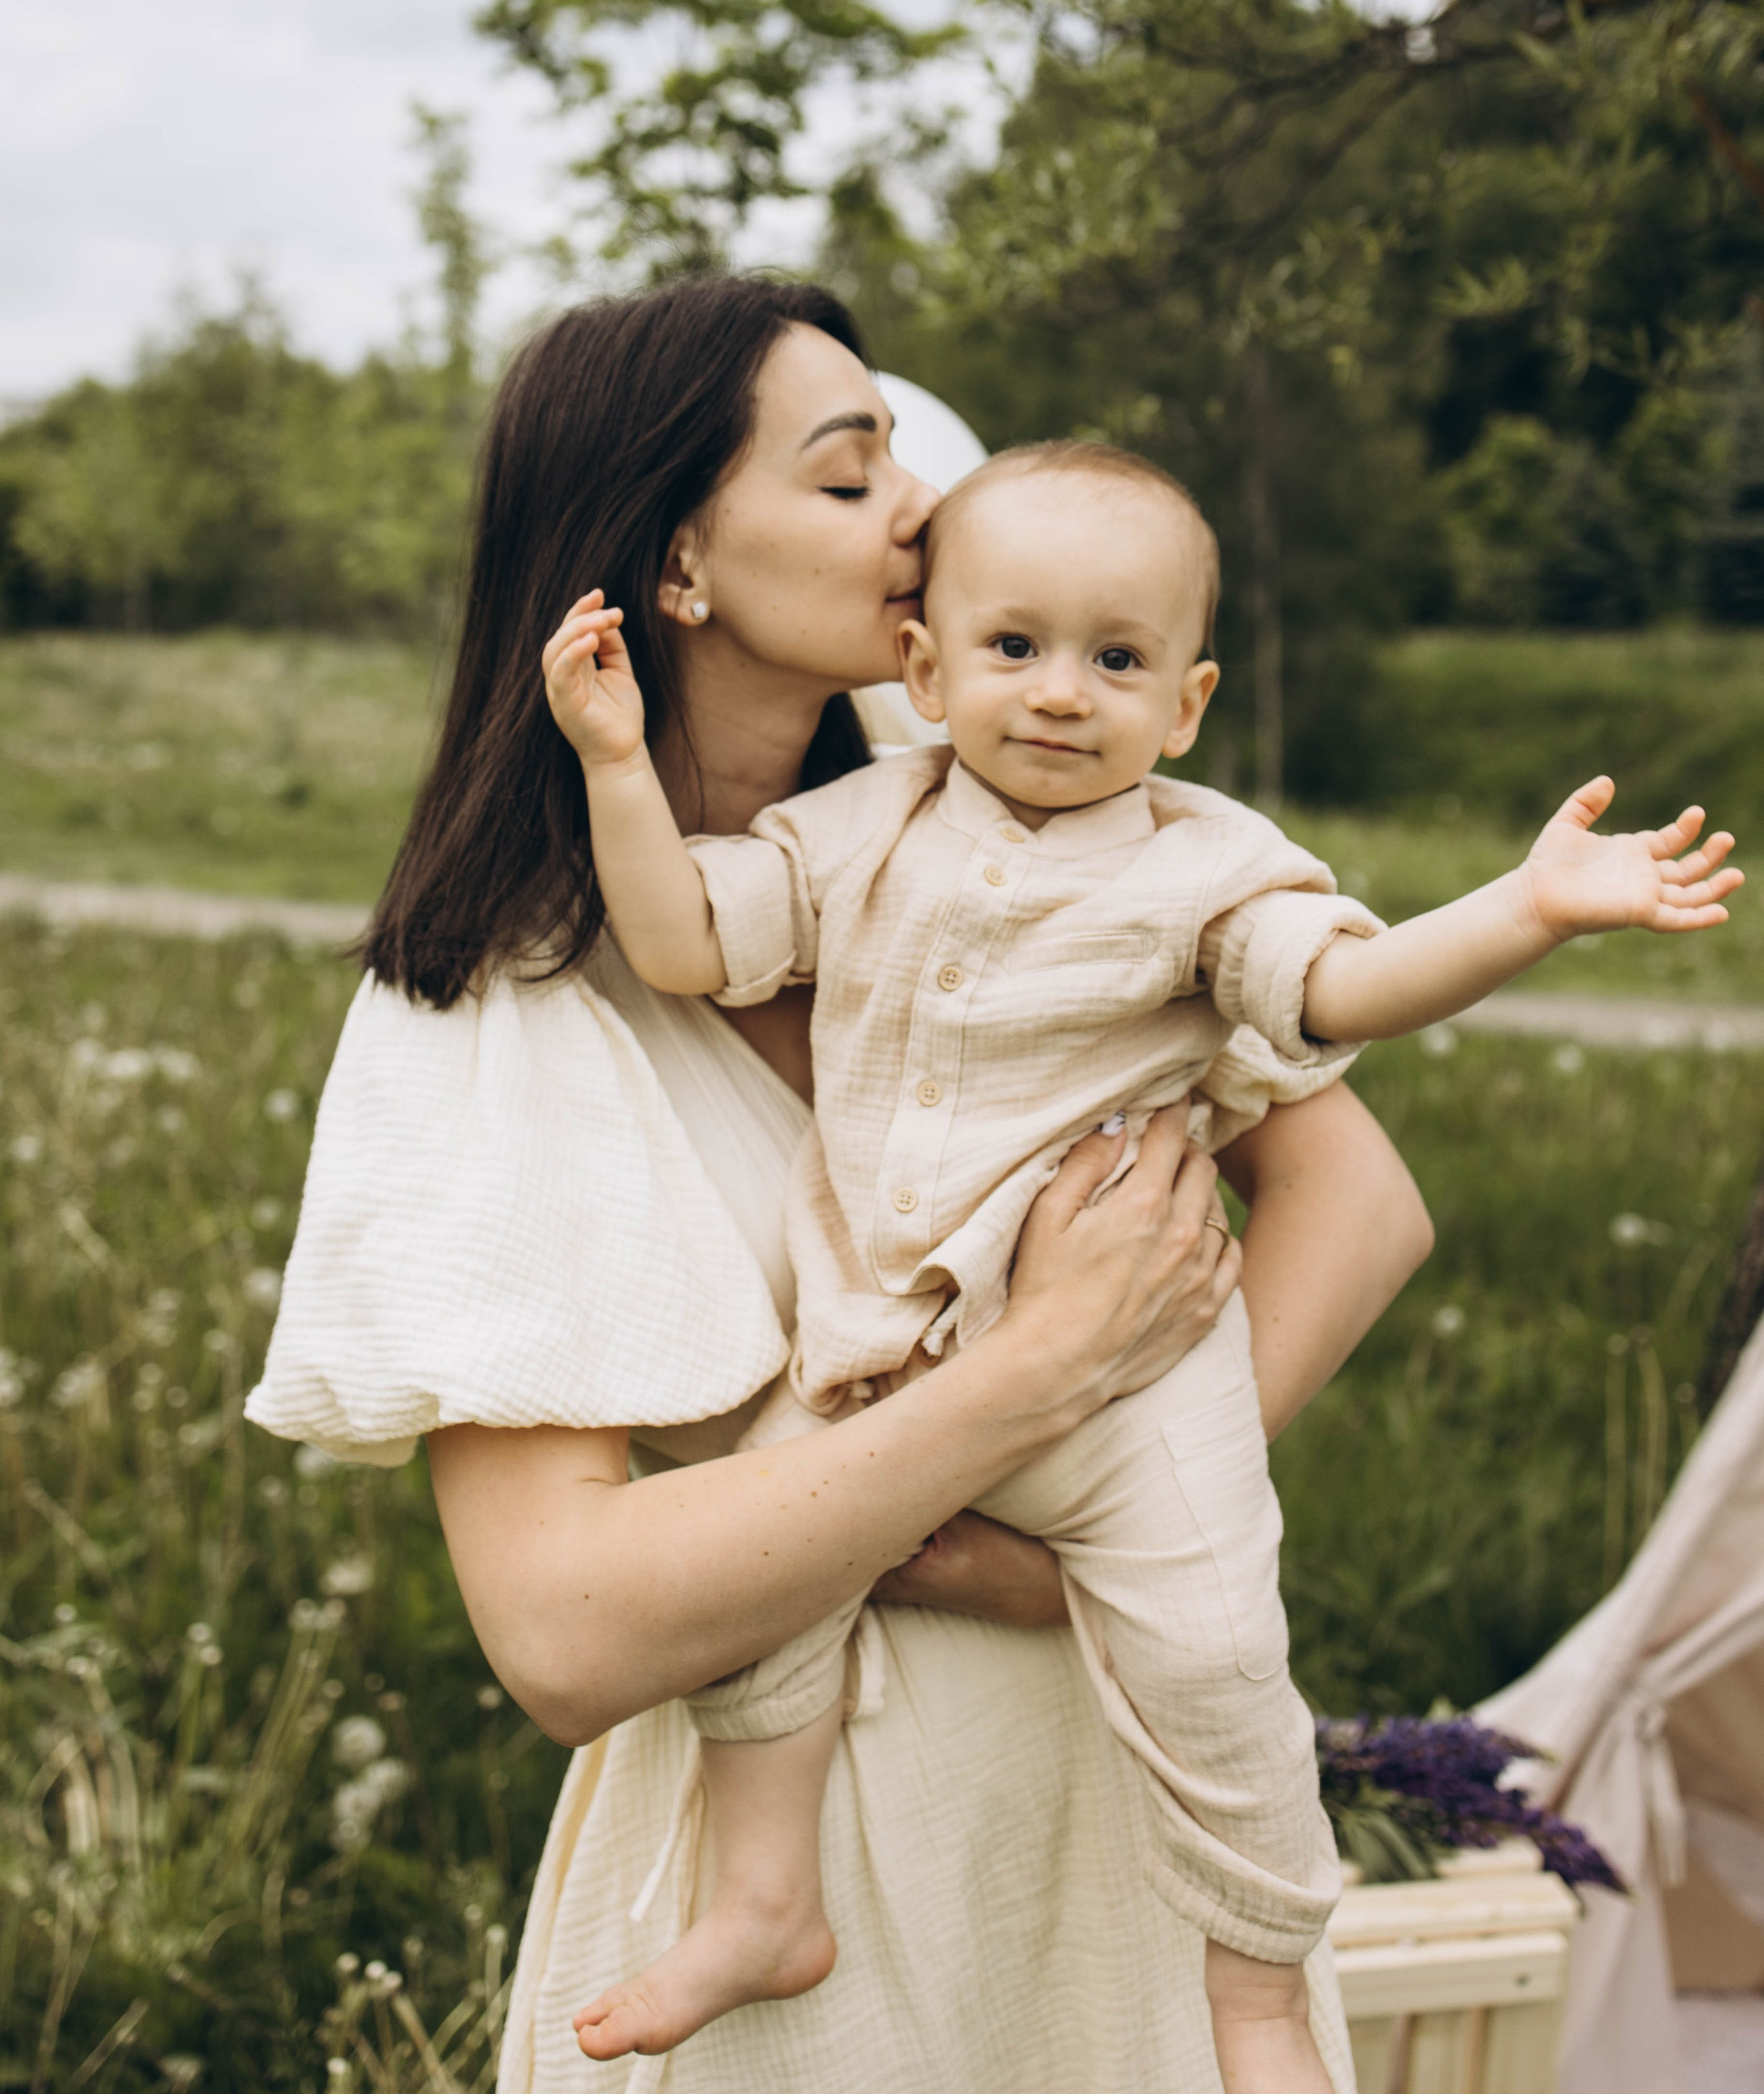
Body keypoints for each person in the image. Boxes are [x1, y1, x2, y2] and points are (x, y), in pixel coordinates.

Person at [247, 276, 1440, 2094]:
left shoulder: (987, 849)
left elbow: (1360, 1206)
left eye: (903, 454)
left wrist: (1118, 1534)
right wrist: (1026, 1388)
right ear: (678, 569)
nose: (917, 510)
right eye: (847, 470)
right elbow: (566, 1633)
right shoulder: (487, 1010)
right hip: (806, 1890)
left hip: (1116, 1822)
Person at [544, 435, 1741, 2087]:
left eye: (1115, 661)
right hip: (881, 1356)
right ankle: (764, 1900)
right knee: (768, 1594)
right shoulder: (858, 829)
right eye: (1013, 648)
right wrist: (614, 761)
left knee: (1220, 1663)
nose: (1057, 693)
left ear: (1182, 704)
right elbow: (679, 936)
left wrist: (1523, 911)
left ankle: (1254, 1994)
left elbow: (1342, 995)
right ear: (925, 667)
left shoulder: (1201, 865)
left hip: (1130, 1395)